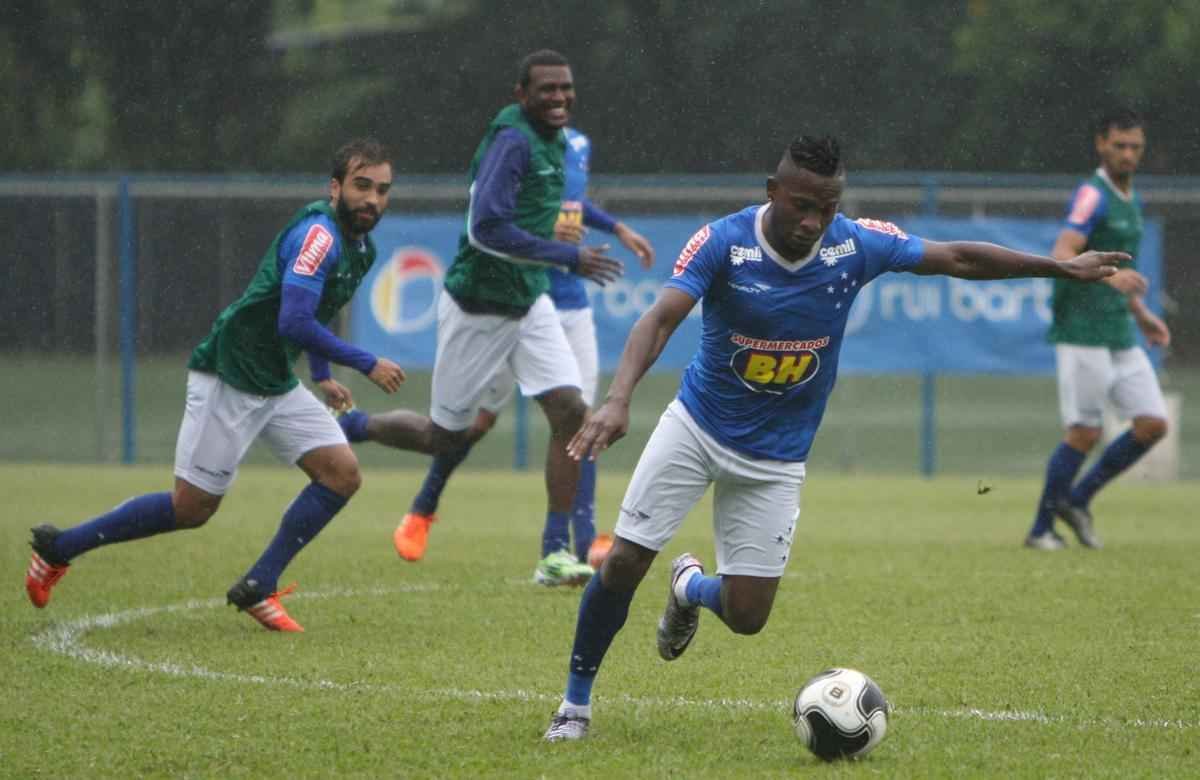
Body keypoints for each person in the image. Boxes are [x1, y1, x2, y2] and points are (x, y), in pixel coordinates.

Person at [541, 135, 1124, 741]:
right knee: (626, 561)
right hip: (697, 428)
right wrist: (617, 398)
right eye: (802, 206)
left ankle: (689, 586)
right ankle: (574, 707)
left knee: (746, 617)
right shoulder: (724, 241)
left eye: (828, 206)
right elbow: (659, 318)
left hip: (777, 456)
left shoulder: (855, 243)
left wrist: (1057, 266)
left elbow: (957, 258)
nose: (815, 221)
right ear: (773, 193)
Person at [23, 138, 406, 632]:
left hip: (272, 379)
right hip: (231, 373)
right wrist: (366, 361)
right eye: (361, 186)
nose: (372, 199)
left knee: (341, 474)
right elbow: (293, 320)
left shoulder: (360, 246)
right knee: (191, 508)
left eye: (382, 190)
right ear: (334, 188)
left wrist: (323, 375)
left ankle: (260, 585)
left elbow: (317, 310)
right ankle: (60, 548)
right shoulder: (320, 237)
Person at [337, 50, 625, 586]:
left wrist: (592, 234)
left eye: (566, 87)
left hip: (529, 301)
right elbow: (486, 231)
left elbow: (551, 210)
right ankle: (355, 425)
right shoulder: (512, 141)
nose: (559, 97)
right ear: (521, 94)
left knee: (570, 411)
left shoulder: (553, 139)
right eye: (547, 90)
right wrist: (566, 255)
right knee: (445, 436)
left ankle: (553, 553)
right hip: (478, 308)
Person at [1024, 109, 1171, 551]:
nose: (1128, 154)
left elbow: (1122, 271)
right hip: (1082, 329)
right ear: (1100, 145)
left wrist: (1140, 311)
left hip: (1118, 328)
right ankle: (1040, 530)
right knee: (1084, 432)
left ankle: (1079, 500)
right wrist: (1110, 278)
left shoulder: (1132, 198)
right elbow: (1064, 250)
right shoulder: (1093, 194)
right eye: (1119, 145)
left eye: (1135, 147)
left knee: (1152, 423)